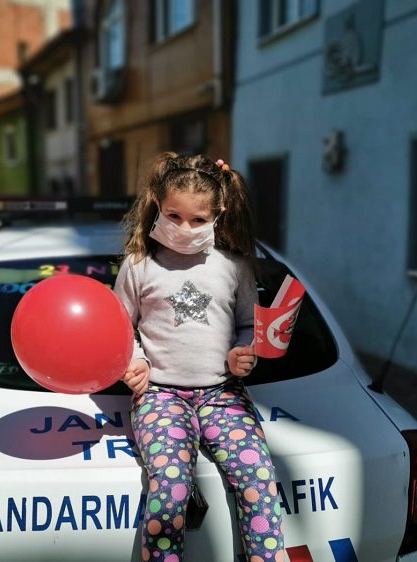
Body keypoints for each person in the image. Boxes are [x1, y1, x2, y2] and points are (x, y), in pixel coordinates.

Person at [114, 152, 285, 562]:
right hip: (159, 395)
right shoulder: (138, 266)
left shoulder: (235, 266)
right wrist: (134, 361)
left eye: (197, 219)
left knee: (259, 478)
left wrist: (244, 352)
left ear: (218, 215)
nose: (183, 228)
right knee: (170, 491)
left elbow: (248, 325)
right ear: (157, 204)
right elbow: (119, 329)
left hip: (222, 394)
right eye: (173, 216)